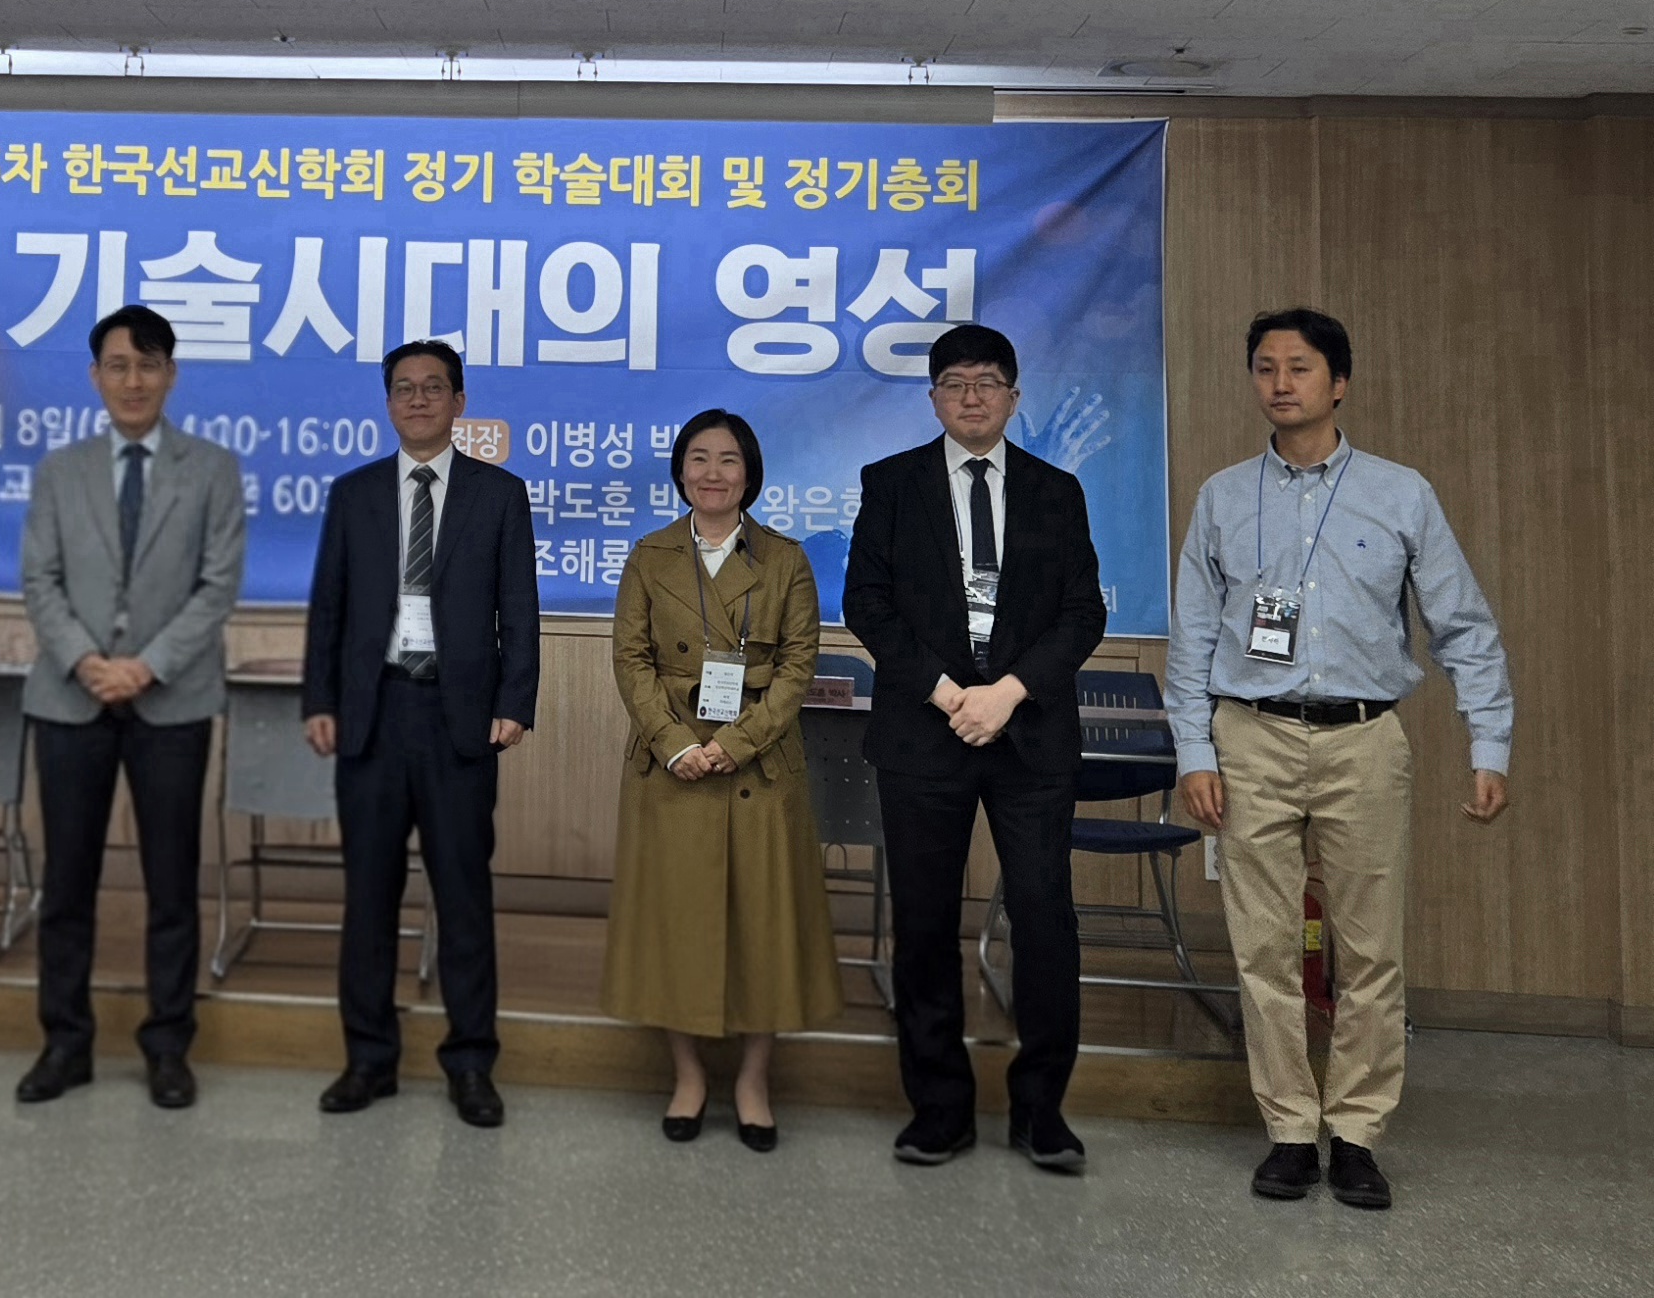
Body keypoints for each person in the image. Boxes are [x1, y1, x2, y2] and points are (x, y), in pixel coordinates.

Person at [1168, 308, 1512, 1212]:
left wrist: (1489, 741)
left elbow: (1463, 626)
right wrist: (1195, 750)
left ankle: (1356, 1133)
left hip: (1365, 739)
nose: (1280, 382)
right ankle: (1289, 1130)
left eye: (1300, 367)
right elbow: (1193, 634)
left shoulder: (1401, 494)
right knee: (1264, 947)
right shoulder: (1222, 496)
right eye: (1265, 367)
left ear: (1340, 383)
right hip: (1251, 736)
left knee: (1370, 949)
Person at [842, 323, 1105, 1172]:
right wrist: (949, 693)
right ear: (932, 399)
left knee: (1045, 920)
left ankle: (1042, 1112)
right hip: (927, 735)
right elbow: (866, 603)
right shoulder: (891, 484)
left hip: (1029, 736)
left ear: (1014, 397)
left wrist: (1007, 692)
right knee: (923, 924)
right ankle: (939, 1110)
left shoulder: (1057, 491)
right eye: (954, 383)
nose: (971, 396)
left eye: (988, 381)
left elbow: (1083, 613)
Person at [302, 340, 539, 1129]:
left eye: (433, 387)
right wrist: (319, 700)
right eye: (403, 388)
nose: (417, 400)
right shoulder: (355, 494)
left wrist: (516, 700)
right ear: (388, 402)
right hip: (372, 717)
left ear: (459, 402)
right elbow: (329, 609)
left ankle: (470, 1064)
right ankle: (368, 1060)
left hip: (458, 719)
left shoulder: (499, 495)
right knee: (368, 898)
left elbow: (519, 607)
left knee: (464, 898)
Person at [15, 306, 246, 1110]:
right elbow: (39, 580)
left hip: (172, 701)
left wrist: (145, 667)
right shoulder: (60, 470)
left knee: (172, 885)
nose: (134, 380)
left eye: (149, 365)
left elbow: (217, 586)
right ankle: (65, 1043)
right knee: (66, 884)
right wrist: (87, 661)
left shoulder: (211, 469)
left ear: (171, 374)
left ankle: (168, 1046)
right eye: (118, 365)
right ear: (95, 376)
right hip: (69, 698)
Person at [600, 409, 841, 1152]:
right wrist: (676, 743)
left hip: (757, 768)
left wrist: (734, 743)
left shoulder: (786, 559)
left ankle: (753, 1081)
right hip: (670, 765)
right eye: (699, 458)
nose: (712, 473)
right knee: (676, 925)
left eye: (728, 459)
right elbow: (630, 659)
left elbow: (798, 667)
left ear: (750, 474)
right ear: (680, 471)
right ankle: (689, 1077)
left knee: (764, 927)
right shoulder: (649, 555)